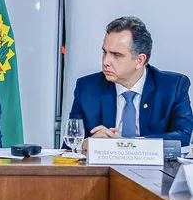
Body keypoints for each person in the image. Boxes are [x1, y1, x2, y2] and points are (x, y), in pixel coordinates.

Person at [69, 16, 193, 147]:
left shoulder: (173, 86)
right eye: (105, 52)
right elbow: (70, 145)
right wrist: (84, 145)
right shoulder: (87, 87)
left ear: (140, 60)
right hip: (103, 167)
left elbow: (182, 137)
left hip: (155, 167)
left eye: (116, 55)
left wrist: (125, 144)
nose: (105, 62)